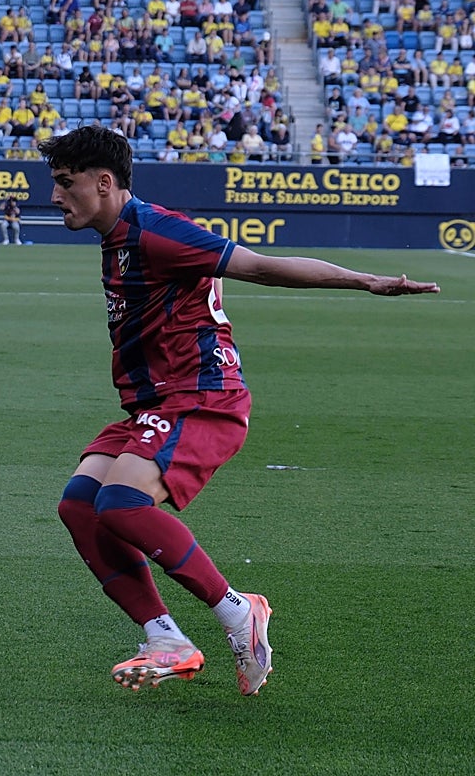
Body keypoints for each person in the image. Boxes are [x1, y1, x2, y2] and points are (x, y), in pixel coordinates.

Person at [37, 127, 439, 696]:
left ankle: (237, 610)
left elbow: (263, 266)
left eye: (64, 182)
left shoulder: (156, 231)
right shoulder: (121, 236)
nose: (54, 195)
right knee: (79, 506)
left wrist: (366, 281)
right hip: (157, 403)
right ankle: (165, 638)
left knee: (120, 503)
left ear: (103, 183)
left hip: (202, 398)